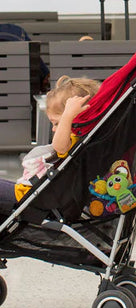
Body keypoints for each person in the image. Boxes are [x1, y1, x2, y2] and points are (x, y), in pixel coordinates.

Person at [0, 75, 99, 211]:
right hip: (34, 193)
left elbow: (60, 147)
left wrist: (67, 116)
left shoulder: (73, 140)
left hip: (31, 197)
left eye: (56, 123)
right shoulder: (84, 140)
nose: (53, 129)